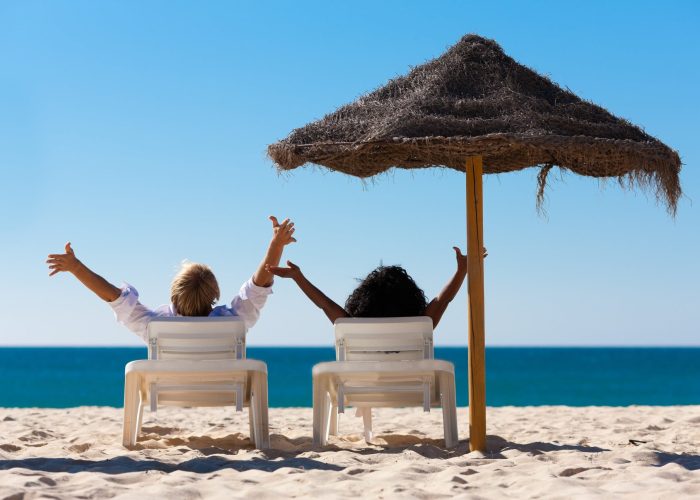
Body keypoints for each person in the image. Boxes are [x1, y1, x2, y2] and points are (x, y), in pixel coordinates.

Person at [46, 216, 297, 343]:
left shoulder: (155, 326)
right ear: (215, 296)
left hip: (167, 391)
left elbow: (113, 296)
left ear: (173, 295)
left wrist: (76, 267)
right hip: (225, 387)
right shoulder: (234, 322)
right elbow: (258, 286)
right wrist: (276, 244)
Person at [267, 246, 486, 328]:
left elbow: (324, 305)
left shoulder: (350, 325)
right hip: (412, 383)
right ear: (411, 297)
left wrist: (298, 277)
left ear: (363, 297)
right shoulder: (422, 323)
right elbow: (442, 300)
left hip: (360, 382)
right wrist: (461, 271)